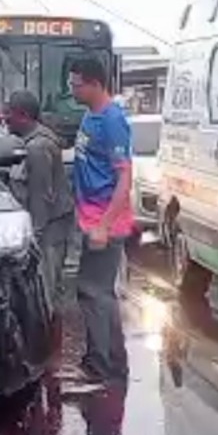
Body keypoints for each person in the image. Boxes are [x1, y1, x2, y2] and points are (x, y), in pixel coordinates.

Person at [67, 57, 133, 387]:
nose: (72, 89)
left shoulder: (112, 120)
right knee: (98, 291)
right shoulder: (90, 116)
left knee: (93, 292)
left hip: (105, 221)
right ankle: (112, 362)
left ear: (94, 83)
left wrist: (104, 225)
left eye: (76, 84)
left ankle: (101, 366)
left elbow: (124, 178)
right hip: (90, 217)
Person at [3, 90, 76, 330]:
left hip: (48, 232)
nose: (5, 119)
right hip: (47, 228)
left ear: (23, 115)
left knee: (45, 291)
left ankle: (48, 344)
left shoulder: (37, 148)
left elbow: (41, 198)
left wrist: (33, 237)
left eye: (9, 114)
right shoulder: (31, 143)